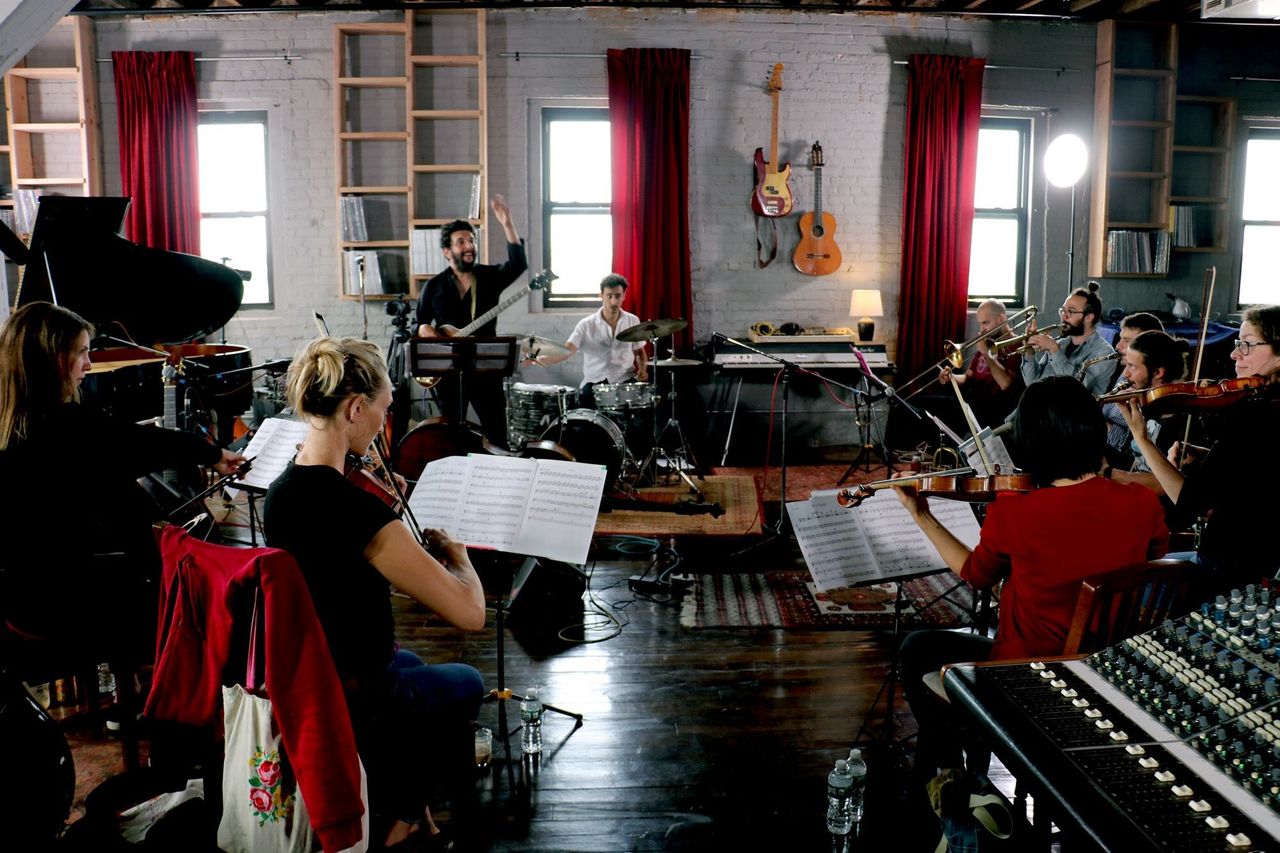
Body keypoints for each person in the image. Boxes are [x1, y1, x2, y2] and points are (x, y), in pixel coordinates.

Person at [262, 336, 486, 849]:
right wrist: (461, 561)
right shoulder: (361, 514)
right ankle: (402, 818)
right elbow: (470, 615)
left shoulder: (280, 493)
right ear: (355, 409)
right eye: (384, 411)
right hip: (359, 689)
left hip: (312, 674)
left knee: (406, 660)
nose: (385, 427)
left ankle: (409, 806)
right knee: (467, 682)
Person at [898, 376, 1168, 790]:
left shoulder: (1016, 512)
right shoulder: (1141, 501)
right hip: (1102, 672)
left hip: (1026, 676)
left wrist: (921, 515)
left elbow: (975, 574)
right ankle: (961, 779)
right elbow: (1149, 553)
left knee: (919, 647)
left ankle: (953, 775)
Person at [0, 302, 243, 660]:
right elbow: (138, 445)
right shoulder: (68, 427)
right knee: (197, 601)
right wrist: (214, 455)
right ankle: (179, 692)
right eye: (81, 352)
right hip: (62, 609)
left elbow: (123, 444)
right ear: (53, 357)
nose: (89, 364)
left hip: (17, 600)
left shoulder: (13, 425)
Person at [1121, 305, 1280, 587]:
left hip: (1229, 568)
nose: (1234, 354)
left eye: (1247, 345)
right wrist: (1206, 455)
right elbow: (1259, 469)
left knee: (1130, 581)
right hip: (1266, 559)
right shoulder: (1266, 409)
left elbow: (1188, 504)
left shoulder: (1252, 417)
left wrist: (1142, 438)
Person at [415, 195, 527, 447]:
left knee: (497, 433)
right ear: (447, 251)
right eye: (461, 241)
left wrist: (507, 223)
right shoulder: (433, 287)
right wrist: (424, 328)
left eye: (472, 240)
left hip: (486, 368)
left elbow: (518, 264)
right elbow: (419, 321)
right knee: (451, 436)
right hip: (448, 372)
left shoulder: (489, 277)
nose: (469, 245)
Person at [527, 273, 649, 407]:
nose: (613, 301)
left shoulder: (632, 320)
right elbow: (566, 351)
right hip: (595, 382)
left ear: (624, 295)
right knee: (586, 415)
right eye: (609, 296)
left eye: (618, 296)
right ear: (601, 295)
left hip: (625, 380)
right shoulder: (586, 325)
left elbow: (639, 352)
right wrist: (539, 359)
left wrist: (642, 369)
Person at [1102, 330, 1189, 474]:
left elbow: (1162, 483)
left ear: (1158, 373)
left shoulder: (1176, 420)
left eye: (1133, 366)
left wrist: (1107, 473)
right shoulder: (1145, 406)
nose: (1125, 374)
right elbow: (1133, 463)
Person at [937, 298, 1024, 427]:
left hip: (994, 412)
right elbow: (968, 377)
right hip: (972, 405)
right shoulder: (987, 341)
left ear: (1001, 318)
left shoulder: (1018, 344)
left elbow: (1006, 384)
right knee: (923, 405)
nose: (981, 329)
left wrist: (986, 354)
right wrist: (952, 377)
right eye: (980, 324)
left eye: (985, 323)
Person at [1021, 281, 1116, 396]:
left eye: (1070, 311)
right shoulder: (1059, 343)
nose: (1063, 316)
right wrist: (1029, 352)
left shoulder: (1105, 353)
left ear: (1088, 317)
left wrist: (1055, 351)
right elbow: (1032, 383)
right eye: (1063, 311)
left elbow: (1075, 389)